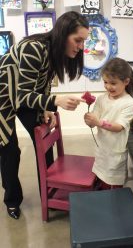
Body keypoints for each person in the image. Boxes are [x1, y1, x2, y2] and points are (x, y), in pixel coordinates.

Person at [0, 11, 89, 219]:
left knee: (44, 141)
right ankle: (12, 201)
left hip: (23, 95)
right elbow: (23, 95)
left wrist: (46, 109)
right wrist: (55, 102)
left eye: (83, 41)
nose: (81, 47)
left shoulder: (53, 53)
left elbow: (42, 85)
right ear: (63, 33)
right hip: (3, 97)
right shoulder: (34, 48)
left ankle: (47, 195)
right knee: (10, 150)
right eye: (78, 40)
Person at [84, 57, 133, 190]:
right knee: (102, 175)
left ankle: (114, 203)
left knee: (115, 180)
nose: (108, 86)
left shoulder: (128, 102)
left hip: (116, 150)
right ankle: (102, 193)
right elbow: (95, 118)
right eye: (105, 82)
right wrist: (90, 120)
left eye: (113, 83)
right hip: (103, 148)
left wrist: (98, 122)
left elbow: (118, 127)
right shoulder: (101, 99)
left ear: (126, 82)